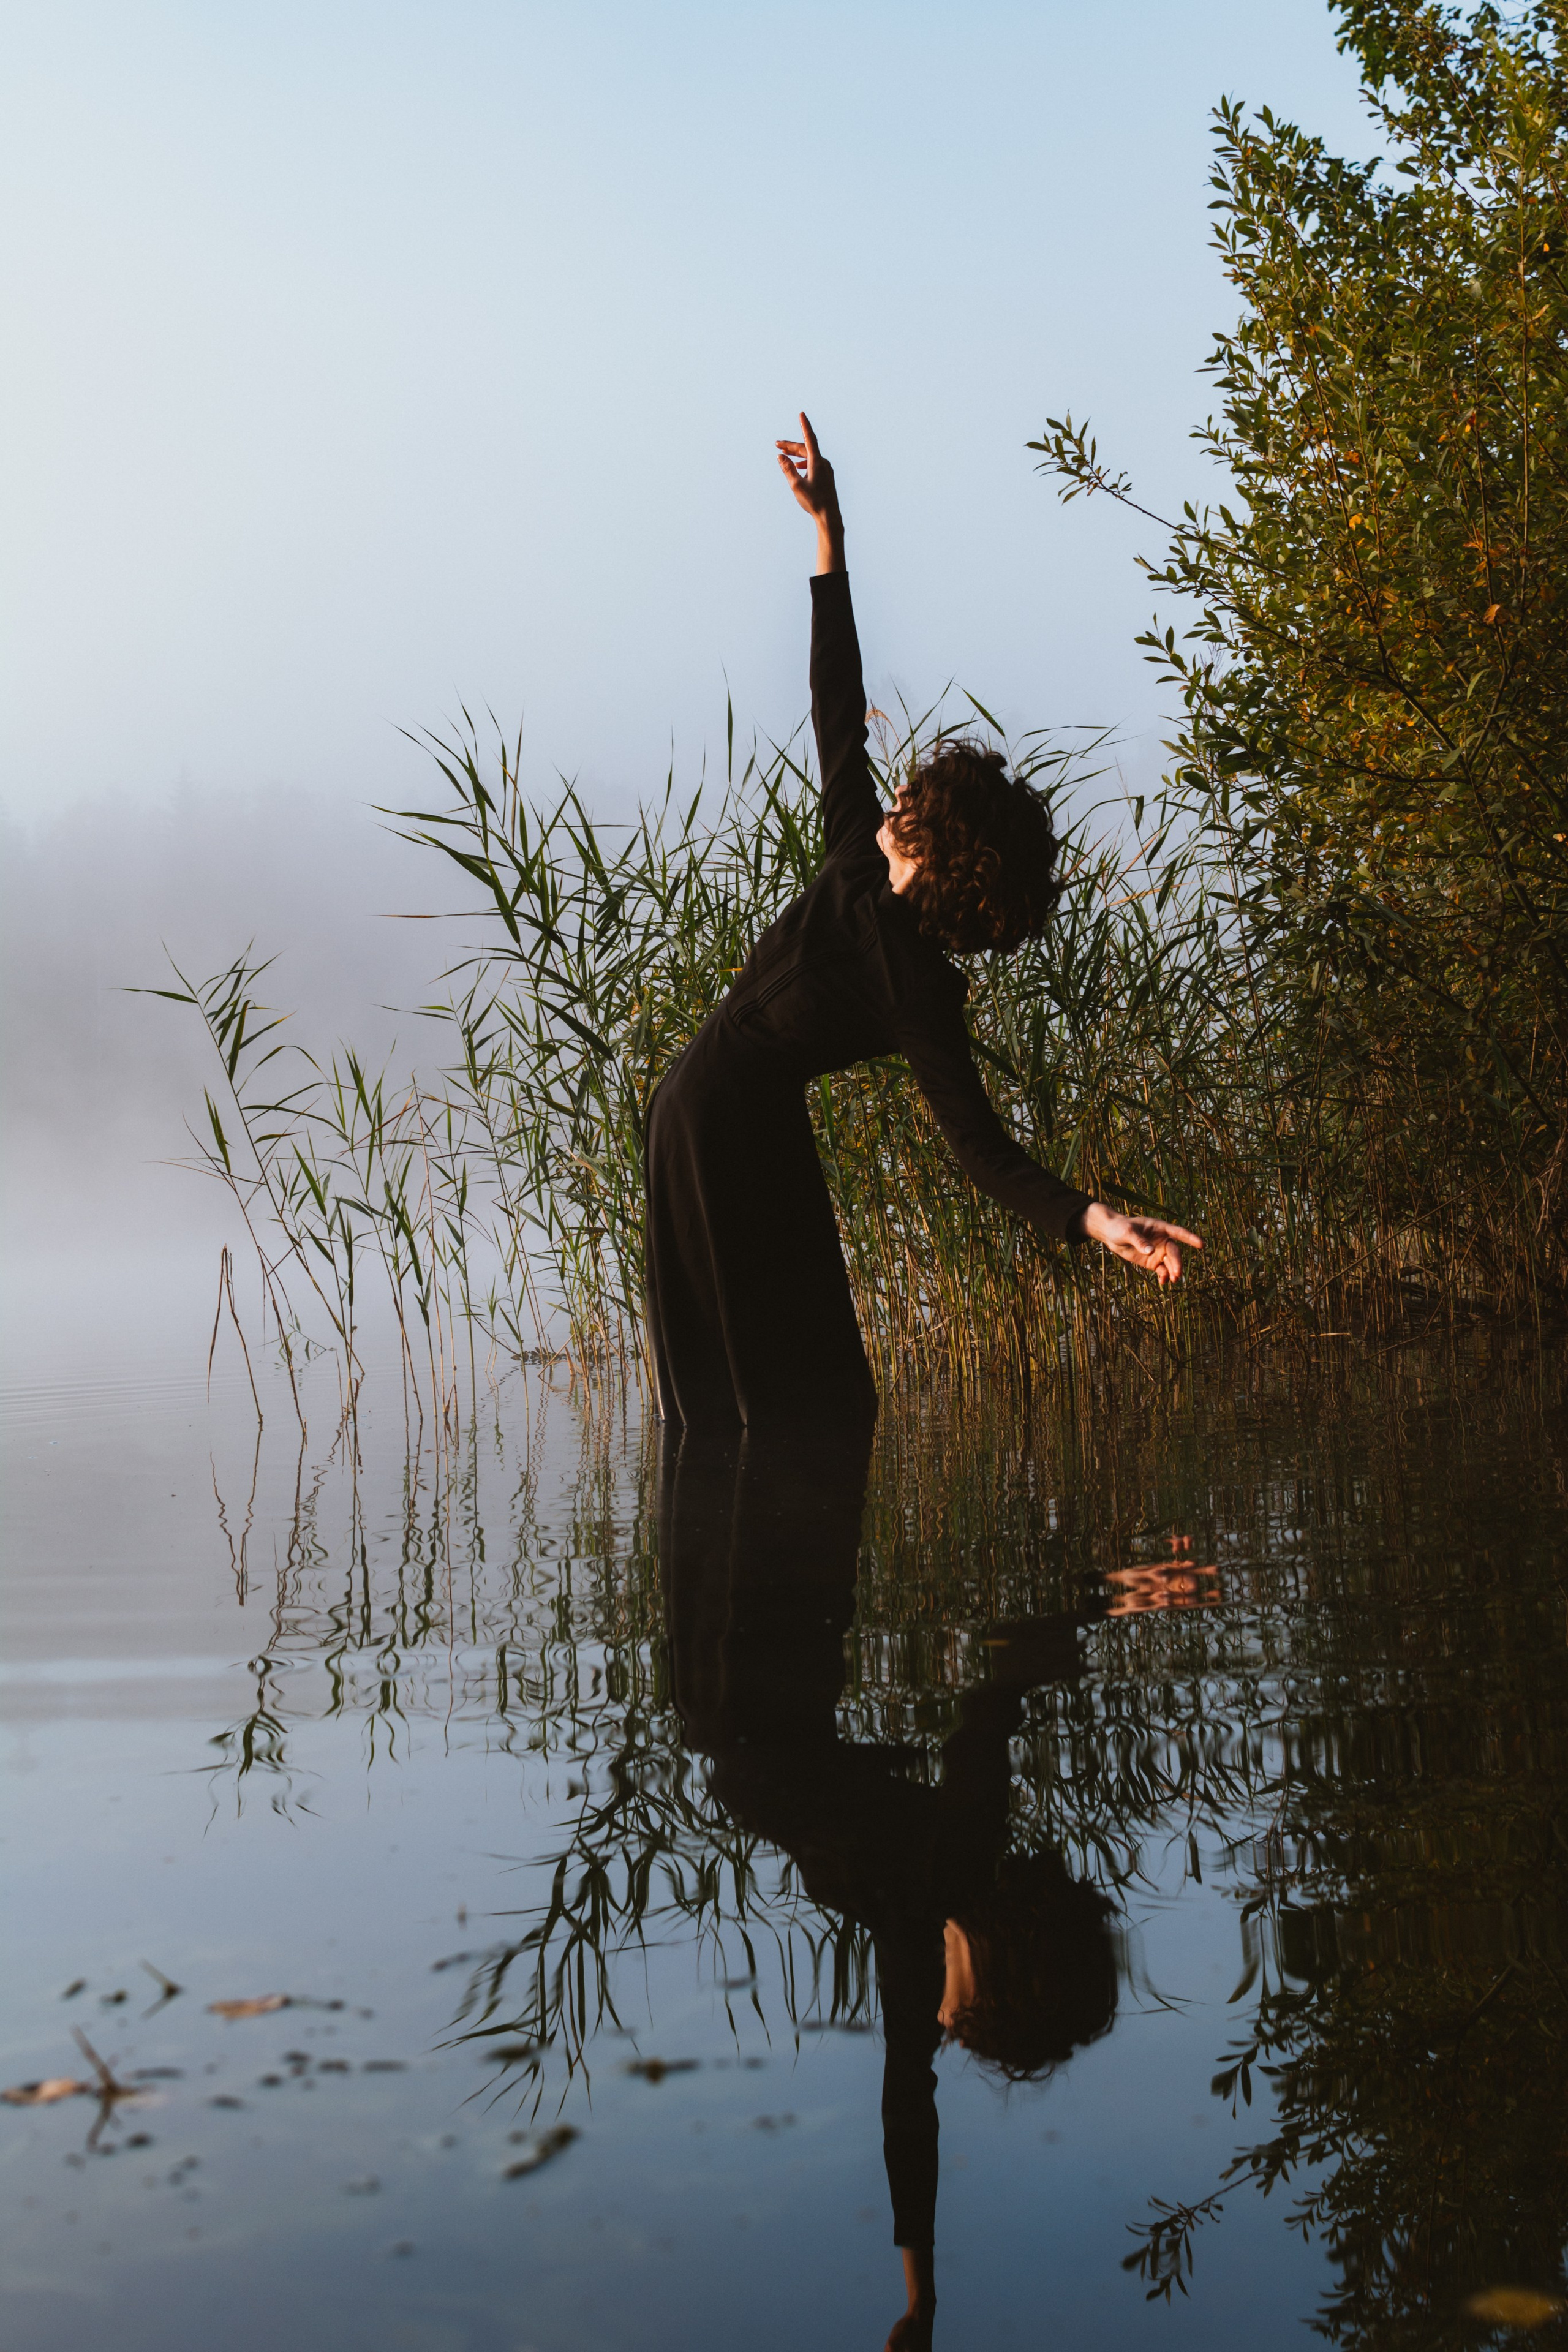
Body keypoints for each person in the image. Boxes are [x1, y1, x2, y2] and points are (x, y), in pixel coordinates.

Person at [641, 413, 1202, 1428]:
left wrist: (1094, 1219)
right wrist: (830, 532)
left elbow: (981, 1151)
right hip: (706, 1124)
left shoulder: (917, 989)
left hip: (744, 1131)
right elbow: (836, 698)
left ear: (936, 844)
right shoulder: (859, 847)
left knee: (814, 1400)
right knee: (750, 1403)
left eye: (918, 796)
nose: (897, 788)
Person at [660, 1423, 1133, 2352]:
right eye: (971, 2026)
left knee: (751, 1433)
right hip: (742, 1692)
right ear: (1000, 1980)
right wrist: (1100, 1604)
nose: (944, 2033)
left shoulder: (934, 1917)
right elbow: (1000, 1692)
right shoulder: (955, 1866)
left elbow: (907, 2118)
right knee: (755, 1432)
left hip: (754, 1684)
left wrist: (920, 2301)